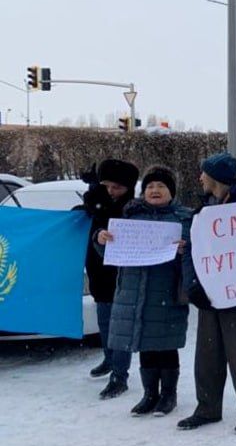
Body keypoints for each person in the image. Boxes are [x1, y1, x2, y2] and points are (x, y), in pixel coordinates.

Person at [178, 152, 236, 435]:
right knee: (208, 354)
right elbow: (193, 249)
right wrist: (194, 286)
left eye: (204, 173)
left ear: (216, 178)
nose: (200, 178)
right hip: (210, 295)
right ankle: (207, 408)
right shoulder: (205, 209)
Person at [97, 166, 191, 417]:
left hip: (166, 293)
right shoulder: (129, 217)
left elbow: (198, 254)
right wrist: (101, 239)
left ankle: (168, 394)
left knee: (166, 346)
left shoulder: (184, 219)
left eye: (161, 186)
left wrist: (186, 249)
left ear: (171, 191)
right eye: (150, 187)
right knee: (145, 346)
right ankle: (150, 394)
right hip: (134, 292)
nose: (155, 190)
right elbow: (109, 254)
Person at [75, 159, 138, 399]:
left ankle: (120, 376)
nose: (111, 191)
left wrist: (98, 201)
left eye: (117, 188)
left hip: (122, 275)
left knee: (120, 328)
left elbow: (117, 222)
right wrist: (90, 203)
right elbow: (82, 221)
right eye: (107, 185)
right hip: (98, 272)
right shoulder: (95, 202)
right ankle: (109, 359)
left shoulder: (131, 207)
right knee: (104, 321)